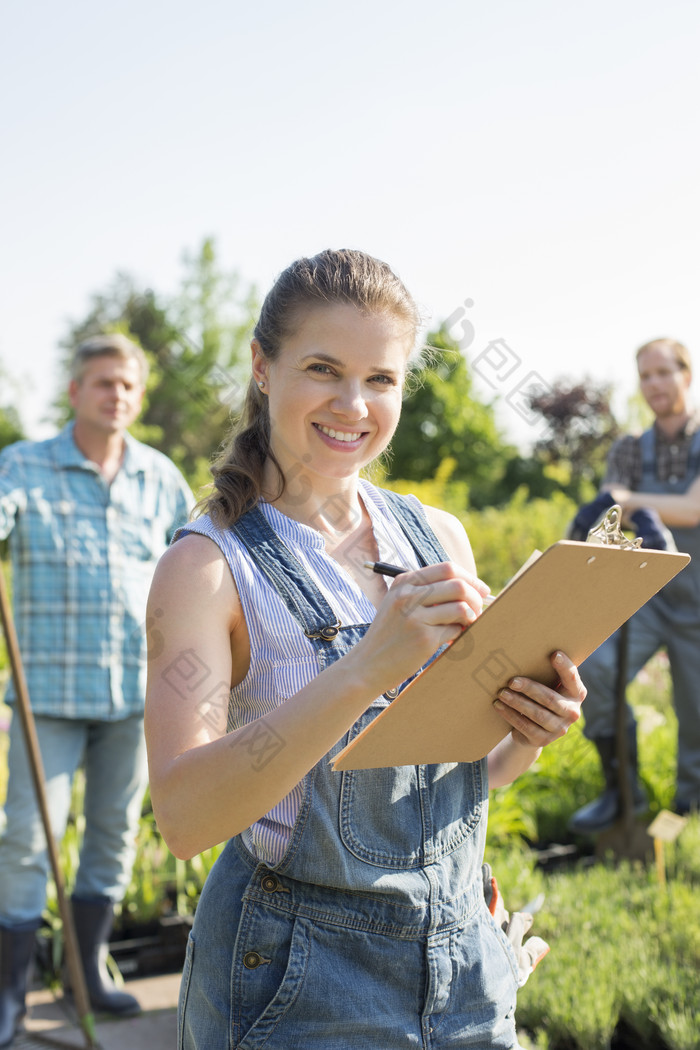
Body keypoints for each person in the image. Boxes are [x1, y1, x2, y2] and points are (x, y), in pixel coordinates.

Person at [145, 249, 585, 1050]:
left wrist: (524, 731)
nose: (354, 404)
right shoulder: (206, 566)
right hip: (297, 979)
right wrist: (362, 671)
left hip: (462, 966)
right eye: (324, 369)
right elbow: (182, 816)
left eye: (381, 379)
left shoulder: (437, 537)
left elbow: (451, 787)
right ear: (262, 367)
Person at [0, 334, 192, 1046]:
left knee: (112, 836)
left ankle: (90, 970)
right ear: (75, 392)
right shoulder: (21, 467)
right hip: (45, 693)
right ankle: (9, 994)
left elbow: (188, 564)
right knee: (26, 838)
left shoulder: (159, 477)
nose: (117, 395)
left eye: (128, 385)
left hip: (133, 696)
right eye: (102, 382)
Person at [569, 337, 700, 835]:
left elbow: (692, 509)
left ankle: (689, 810)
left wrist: (623, 495)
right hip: (648, 597)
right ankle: (623, 792)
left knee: (696, 709)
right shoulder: (628, 449)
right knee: (594, 671)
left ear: (687, 375)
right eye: (645, 376)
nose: (655, 385)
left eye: (664, 373)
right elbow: (610, 521)